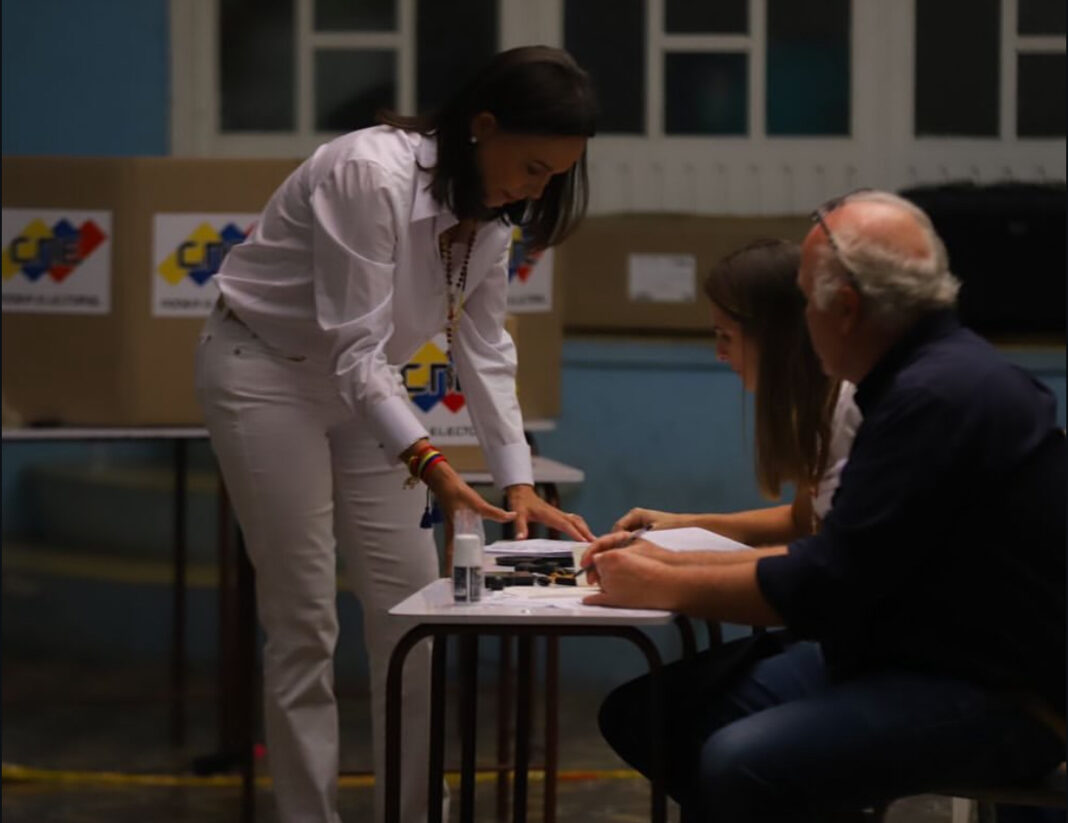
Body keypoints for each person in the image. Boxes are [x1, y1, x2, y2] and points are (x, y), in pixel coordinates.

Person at [195, 46, 598, 823]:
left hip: (365, 390)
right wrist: (439, 470)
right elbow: (354, 347)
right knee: (304, 619)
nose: (534, 188)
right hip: (263, 370)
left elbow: (483, 348)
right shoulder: (368, 174)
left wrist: (514, 482)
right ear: (482, 127)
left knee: (415, 613)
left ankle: (413, 812)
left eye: (554, 175)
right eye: (533, 165)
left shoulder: (489, 217)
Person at [582, 190, 1066, 821]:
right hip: (913, 654)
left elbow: (827, 582)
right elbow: (837, 557)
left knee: (743, 761)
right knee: (656, 716)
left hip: (998, 694)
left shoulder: (936, 398)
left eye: (806, 301)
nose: (801, 324)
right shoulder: (917, 382)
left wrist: (660, 584)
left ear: (843, 309)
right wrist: (664, 572)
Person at [612, 238, 861, 547]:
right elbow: (800, 522)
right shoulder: (818, 407)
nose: (719, 354)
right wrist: (682, 525)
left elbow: (831, 560)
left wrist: (667, 574)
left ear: (775, 338)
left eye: (726, 337)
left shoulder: (850, 408)